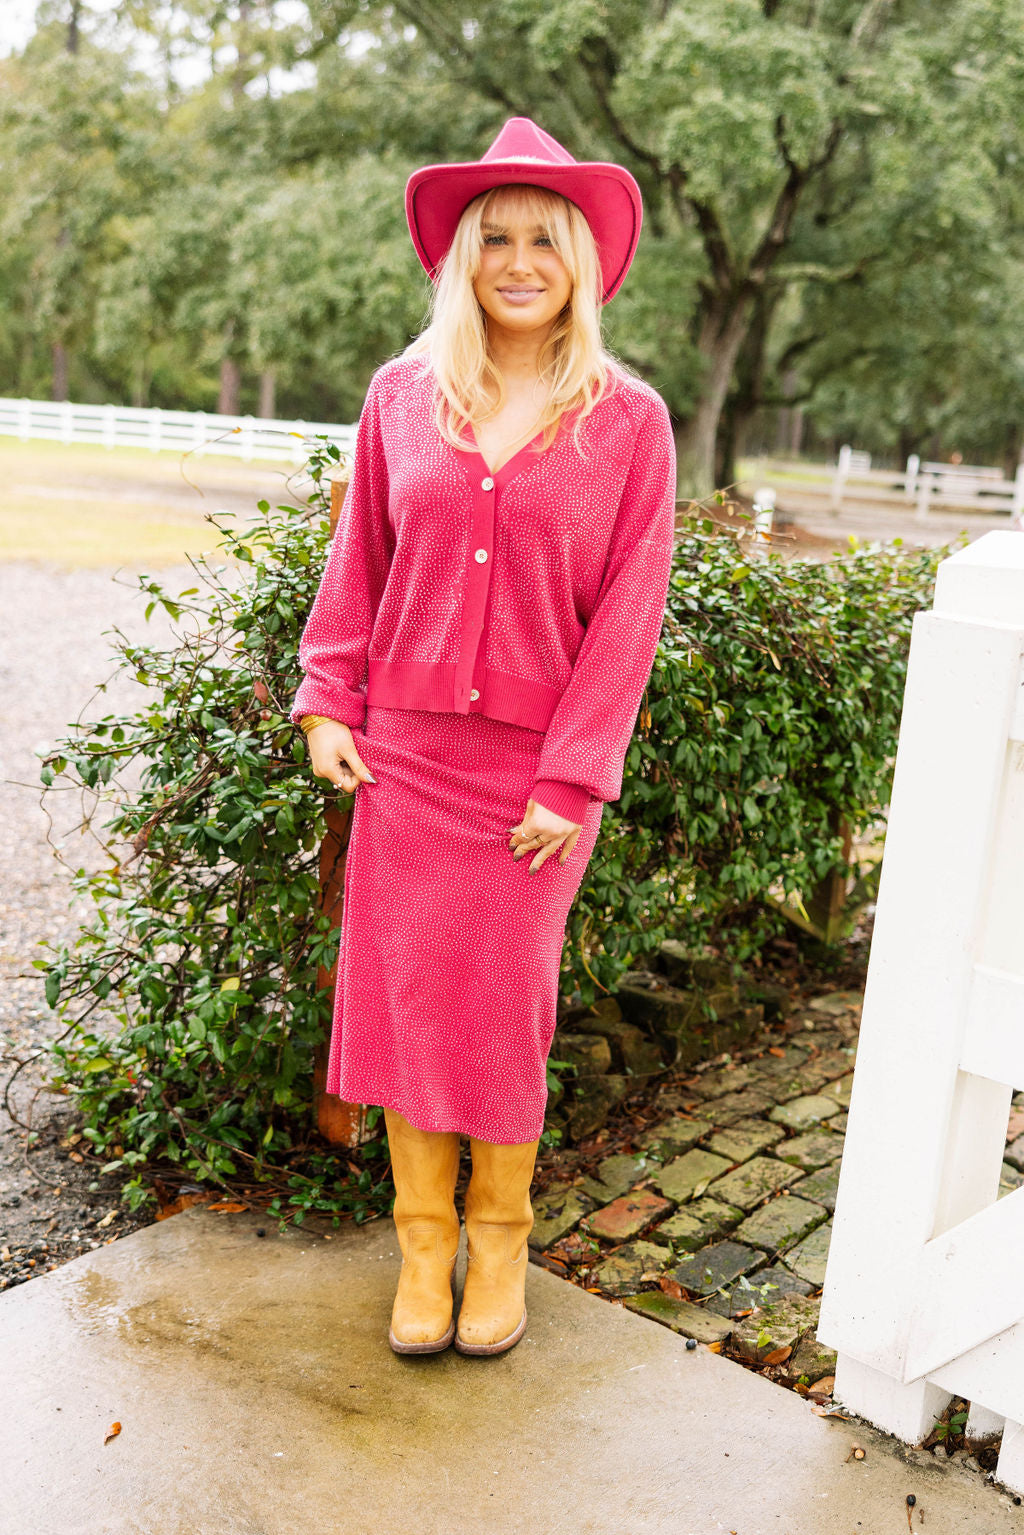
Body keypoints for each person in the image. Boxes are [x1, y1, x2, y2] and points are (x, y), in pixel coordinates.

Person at [290, 116, 678, 1358]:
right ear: (463, 257)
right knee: (407, 1005)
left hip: (533, 780)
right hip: (402, 759)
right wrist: (326, 699)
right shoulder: (402, 395)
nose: (518, 259)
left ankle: (497, 1239)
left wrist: (575, 777)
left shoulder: (629, 420)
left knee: (504, 1010)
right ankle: (419, 1248)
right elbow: (360, 561)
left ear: (580, 259)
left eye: (543, 239)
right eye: (495, 237)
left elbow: (630, 614)